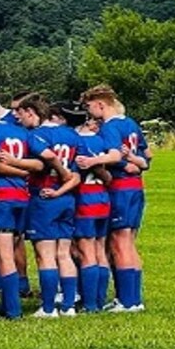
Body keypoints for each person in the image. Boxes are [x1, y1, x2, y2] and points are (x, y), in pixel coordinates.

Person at [80, 85, 150, 312]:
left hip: (119, 188)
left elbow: (114, 155)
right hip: (136, 189)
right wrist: (136, 164)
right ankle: (132, 299)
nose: (90, 113)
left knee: (119, 244)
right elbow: (147, 155)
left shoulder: (109, 126)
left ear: (101, 104)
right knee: (129, 242)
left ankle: (128, 301)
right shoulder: (130, 123)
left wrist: (92, 161)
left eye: (90, 107)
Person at [0, 93, 42, 318]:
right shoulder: (21, 131)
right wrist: (25, 171)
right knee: (13, 248)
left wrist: (17, 169)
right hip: (22, 197)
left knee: (3, 254)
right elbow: (40, 162)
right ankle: (12, 299)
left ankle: (12, 308)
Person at [16, 95, 82, 318]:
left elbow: (49, 155)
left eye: (21, 114)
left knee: (45, 255)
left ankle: (48, 308)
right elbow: (77, 176)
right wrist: (65, 183)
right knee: (63, 253)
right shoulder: (72, 135)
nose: (19, 119)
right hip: (67, 199)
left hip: (44, 198)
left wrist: (60, 173)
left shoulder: (37, 135)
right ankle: (69, 305)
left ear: (31, 112)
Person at [66, 104, 113, 313]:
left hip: (84, 199)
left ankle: (90, 303)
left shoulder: (75, 143)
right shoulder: (100, 140)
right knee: (100, 249)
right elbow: (108, 176)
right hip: (102, 198)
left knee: (85, 251)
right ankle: (100, 298)